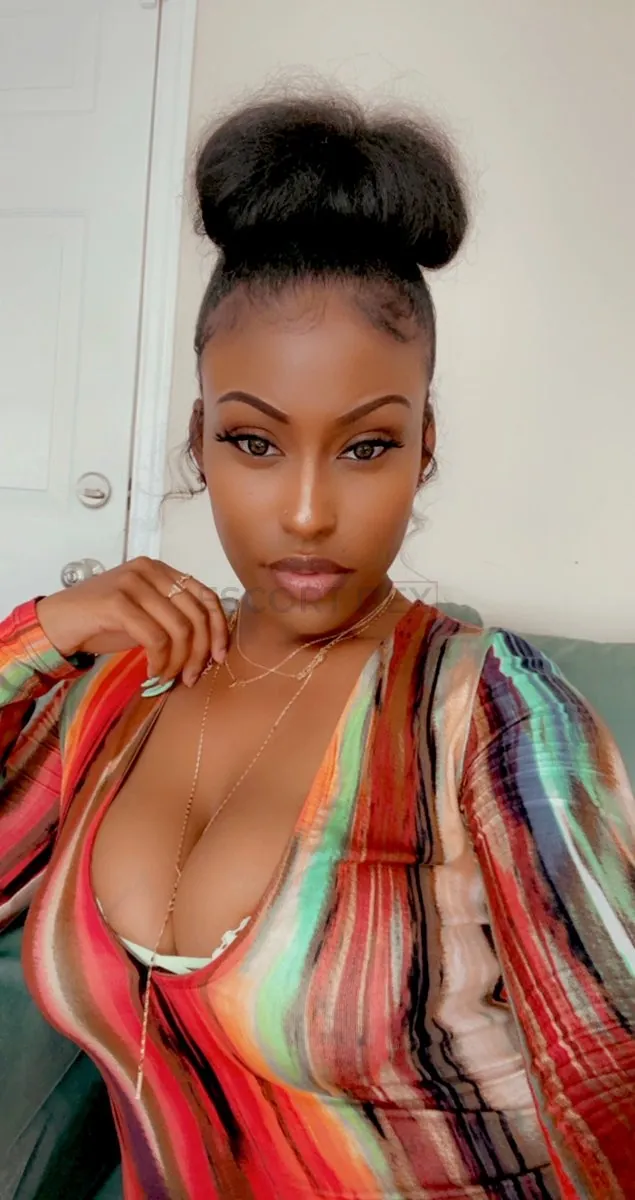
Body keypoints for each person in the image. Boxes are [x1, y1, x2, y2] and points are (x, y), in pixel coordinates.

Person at [0, 93, 633, 1200]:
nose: (304, 514)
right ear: (199, 441)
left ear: (423, 448)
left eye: (366, 446)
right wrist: (40, 632)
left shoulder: (485, 712)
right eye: (253, 441)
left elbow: (610, 1082)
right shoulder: (120, 690)